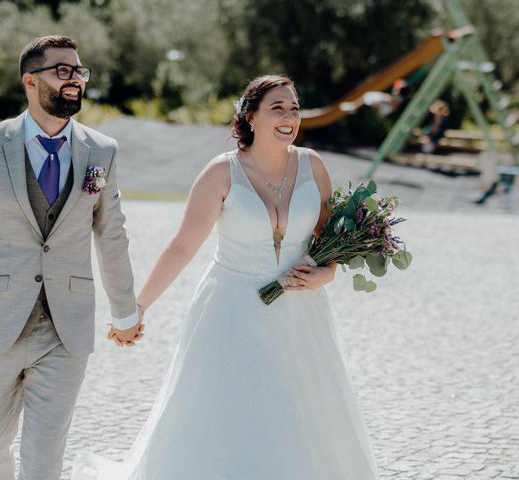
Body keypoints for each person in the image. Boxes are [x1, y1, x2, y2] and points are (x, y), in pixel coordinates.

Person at [72, 75, 379, 479]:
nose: (288, 117)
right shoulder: (221, 173)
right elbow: (182, 246)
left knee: (301, 411)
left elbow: (329, 237)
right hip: (232, 310)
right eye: (277, 108)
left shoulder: (313, 166)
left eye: (294, 108)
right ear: (250, 116)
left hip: (302, 314)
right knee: (232, 413)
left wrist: (327, 273)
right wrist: (136, 307)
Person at [0, 35, 144, 480]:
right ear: (29, 80)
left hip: (66, 329)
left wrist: (125, 311)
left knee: (44, 459)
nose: (75, 80)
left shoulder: (101, 151)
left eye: (79, 71)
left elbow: (112, 236)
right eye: (63, 71)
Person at [340, 78, 407, 117]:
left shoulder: (392, 104)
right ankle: (353, 106)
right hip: (382, 100)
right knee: (366, 96)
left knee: (367, 97)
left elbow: (393, 104)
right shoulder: (396, 97)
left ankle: (353, 107)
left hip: (382, 103)